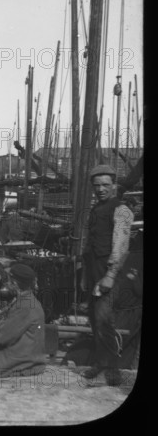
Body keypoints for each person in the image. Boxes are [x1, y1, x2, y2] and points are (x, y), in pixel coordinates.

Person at [81, 164, 134, 386]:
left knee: (104, 319)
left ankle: (112, 370)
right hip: (93, 271)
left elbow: (121, 246)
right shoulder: (95, 210)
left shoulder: (121, 211)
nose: (100, 189)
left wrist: (110, 275)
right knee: (94, 319)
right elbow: (89, 245)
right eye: (96, 186)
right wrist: (85, 276)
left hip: (108, 272)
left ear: (114, 185)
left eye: (105, 185)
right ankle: (100, 363)